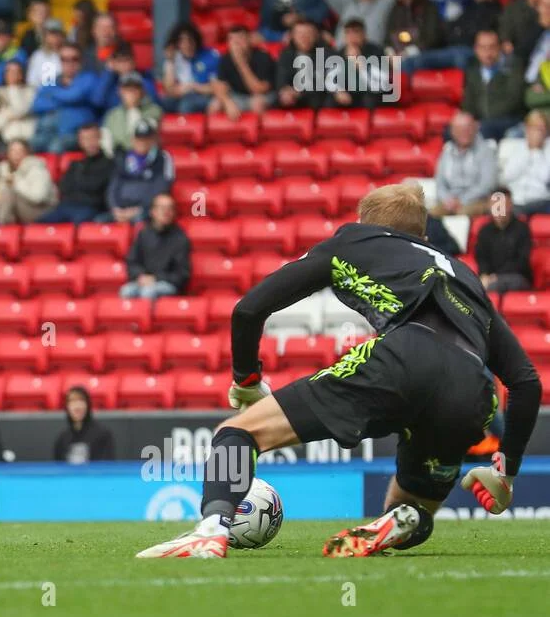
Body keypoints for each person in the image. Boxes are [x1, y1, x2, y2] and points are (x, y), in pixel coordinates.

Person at [137, 183, 541, 559]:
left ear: (367, 223)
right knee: (413, 505)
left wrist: (246, 379)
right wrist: (505, 470)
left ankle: (212, 527)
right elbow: (525, 382)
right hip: (473, 390)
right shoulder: (464, 274)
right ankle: (408, 518)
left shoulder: (353, 240)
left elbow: (248, 309)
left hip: (404, 357)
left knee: (238, 432)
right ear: (423, 236)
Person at [53, 386, 115, 463]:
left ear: (87, 405)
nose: (77, 406)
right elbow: (58, 468)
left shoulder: (103, 434)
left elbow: (107, 466)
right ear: (67, 407)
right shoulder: (62, 438)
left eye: (81, 400)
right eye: (72, 401)